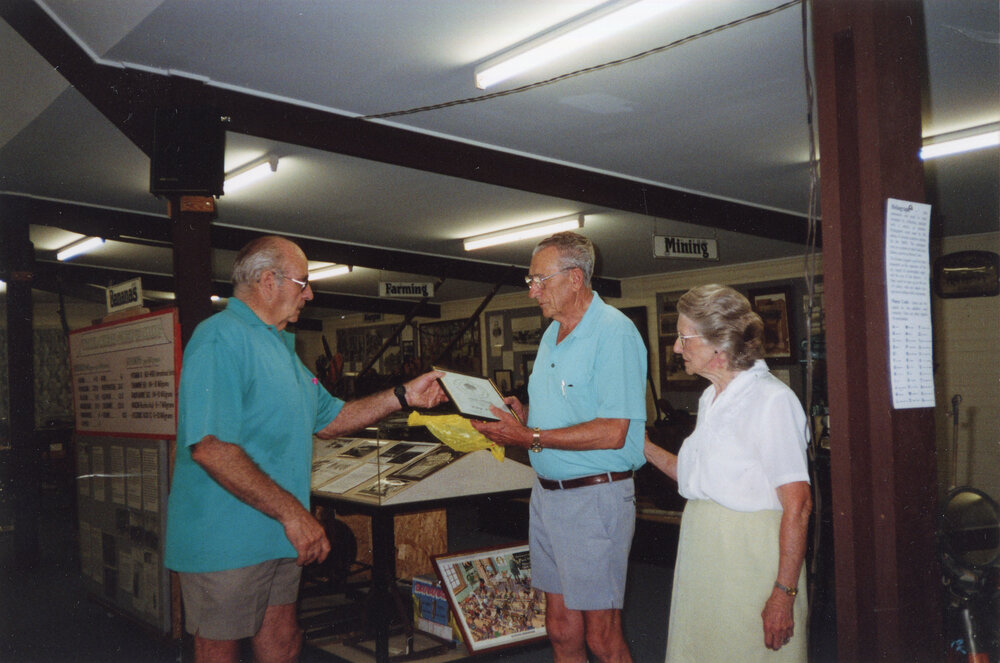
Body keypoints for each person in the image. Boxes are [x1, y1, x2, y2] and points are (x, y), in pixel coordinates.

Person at [164, 236, 447, 663]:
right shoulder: (220, 338)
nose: (310, 294)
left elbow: (331, 419)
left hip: (278, 533)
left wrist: (403, 395)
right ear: (267, 281)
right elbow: (210, 448)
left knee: (283, 641)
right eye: (303, 282)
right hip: (225, 536)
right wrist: (295, 514)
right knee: (219, 650)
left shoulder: (280, 345)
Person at [471, 231, 647, 663]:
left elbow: (612, 431)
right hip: (548, 496)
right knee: (561, 630)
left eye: (539, 280)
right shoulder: (553, 334)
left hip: (595, 497)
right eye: (529, 281)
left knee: (602, 637)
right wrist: (525, 417)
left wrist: (529, 438)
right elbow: (570, 413)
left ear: (574, 278)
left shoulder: (614, 332)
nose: (532, 291)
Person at [643, 284, 812, 662]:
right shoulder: (712, 397)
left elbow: (798, 506)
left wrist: (783, 594)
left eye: (683, 337)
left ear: (719, 345)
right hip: (705, 554)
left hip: (748, 559)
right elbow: (697, 481)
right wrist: (644, 447)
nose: (675, 347)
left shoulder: (772, 401)